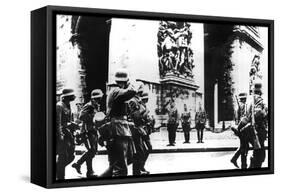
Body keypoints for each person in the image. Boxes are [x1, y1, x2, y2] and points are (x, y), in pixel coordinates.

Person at [105, 68, 137, 177]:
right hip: (118, 129)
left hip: (120, 128)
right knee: (120, 166)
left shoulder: (116, 91)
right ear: (123, 81)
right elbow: (132, 91)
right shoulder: (116, 91)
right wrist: (130, 82)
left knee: (123, 161)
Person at [72, 89, 104, 178]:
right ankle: (83, 167)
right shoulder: (89, 105)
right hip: (87, 131)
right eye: (97, 98)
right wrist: (93, 117)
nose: (98, 100)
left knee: (93, 151)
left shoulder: (95, 106)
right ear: (93, 98)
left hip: (92, 131)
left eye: (99, 98)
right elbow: (81, 116)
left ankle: (87, 170)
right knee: (92, 150)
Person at [127, 84, 149, 175]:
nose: (141, 93)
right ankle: (136, 172)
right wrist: (146, 111)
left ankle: (138, 170)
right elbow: (136, 116)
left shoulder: (137, 101)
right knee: (138, 152)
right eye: (140, 91)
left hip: (139, 128)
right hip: (135, 129)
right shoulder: (133, 101)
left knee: (142, 151)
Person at [56, 88, 77, 180]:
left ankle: (57, 169)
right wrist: (60, 134)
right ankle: (61, 177)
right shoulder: (59, 106)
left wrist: (73, 125)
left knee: (71, 156)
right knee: (63, 156)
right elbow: (58, 122)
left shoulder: (68, 105)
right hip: (62, 134)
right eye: (72, 96)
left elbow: (69, 120)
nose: (74, 97)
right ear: (66, 97)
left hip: (69, 134)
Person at [231, 93, 248, 168]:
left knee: (244, 146)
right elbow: (243, 118)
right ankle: (243, 165)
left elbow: (236, 119)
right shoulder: (243, 106)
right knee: (244, 147)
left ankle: (234, 159)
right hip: (242, 129)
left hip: (239, 128)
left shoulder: (237, 106)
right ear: (244, 98)